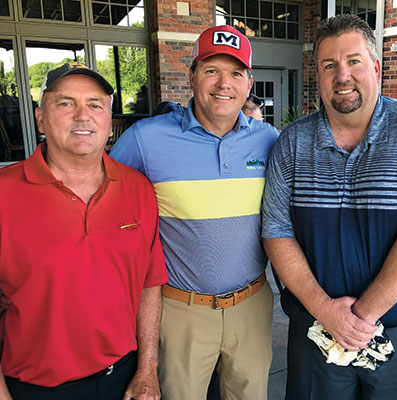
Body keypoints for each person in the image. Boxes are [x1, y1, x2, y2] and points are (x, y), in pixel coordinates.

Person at [262, 14, 397, 399]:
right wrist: (327, 313)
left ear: (376, 68)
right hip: (316, 331)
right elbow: (276, 231)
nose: (342, 75)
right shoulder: (292, 142)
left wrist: (360, 317)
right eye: (329, 65)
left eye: (353, 61)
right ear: (318, 74)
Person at [110, 25, 279, 400]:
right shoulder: (145, 139)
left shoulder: (269, 141)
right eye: (211, 70)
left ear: (249, 84)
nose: (224, 83)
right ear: (191, 77)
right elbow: (106, 202)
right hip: (180, 309)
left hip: (252, 304)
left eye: (236, 73)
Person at [0, 62, 168, 399]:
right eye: (65, 103)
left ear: (109, 119)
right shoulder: (4, 193)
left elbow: (149, 285)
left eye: (95, 104)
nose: (82, 115)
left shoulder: (138, 188)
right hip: (33, 388)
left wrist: (147, 369)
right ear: (40, 117)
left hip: (121, 378)